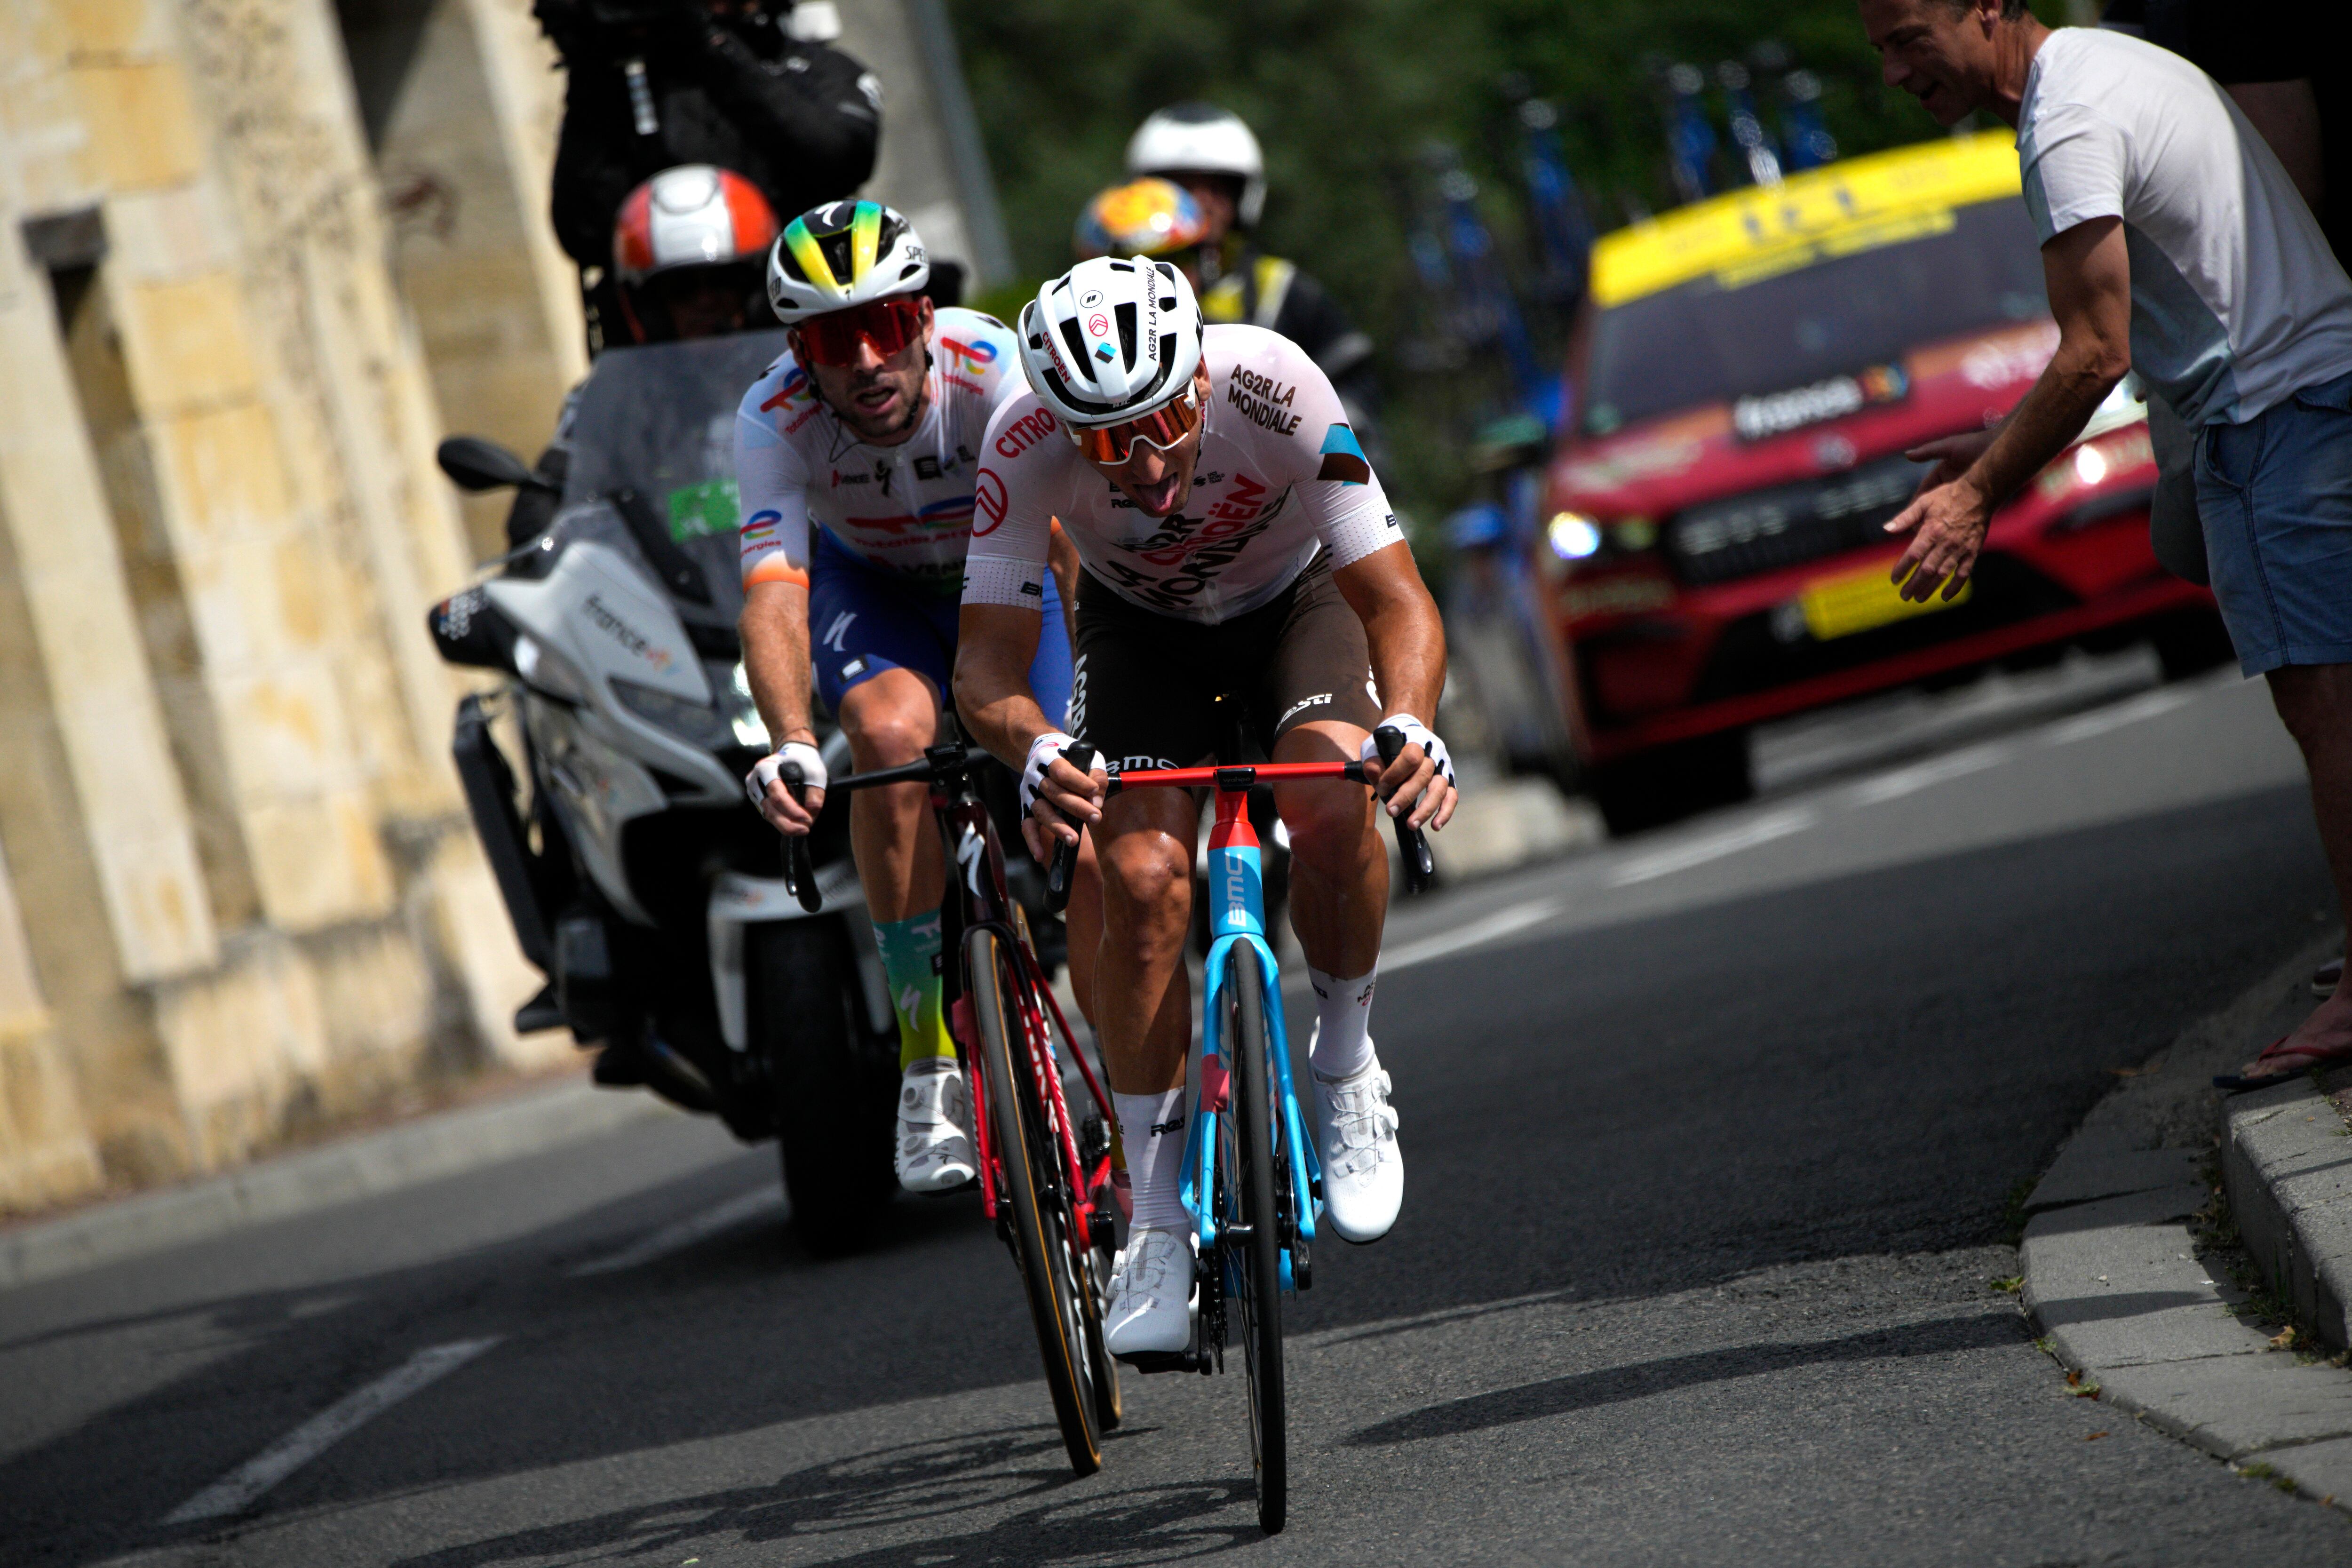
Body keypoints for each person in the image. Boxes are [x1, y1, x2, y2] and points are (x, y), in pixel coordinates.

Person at [952, 254, 1458, 1353]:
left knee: (1329, 806)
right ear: (1057, 423)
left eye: (1161, 421)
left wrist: (1410, 722)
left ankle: (1346, 1063)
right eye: (1103, 439)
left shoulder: (1274, 383)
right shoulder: (1020, 443)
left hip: (1296, 605)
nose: (1138, 463)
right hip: (1141, 638)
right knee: (1135, 880)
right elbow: (985, 673)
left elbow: (1397, 599)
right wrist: (1032, 749)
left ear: (1196, 380)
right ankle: (1156, 1219)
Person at [1856, 0, 2352, 1085]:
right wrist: (1998, 437)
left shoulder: (2064, 115)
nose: (1895, 71)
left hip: (2273, 419)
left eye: (1907, 39)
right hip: (2305, 392)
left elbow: (2092, 349)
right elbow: (2173, 311)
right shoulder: (2104, 63)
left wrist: (1982, 491)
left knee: (2323, 708)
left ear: (1985, 7)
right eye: (1880, 48)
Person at [734, 200, 1091, 1192]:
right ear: (797, 350)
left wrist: (1078, 712)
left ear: (925, 319)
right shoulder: (772, 419)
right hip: (878, 594)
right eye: (829, 339)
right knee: (887, 738)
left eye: (884, 326)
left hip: (1003, 581)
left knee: (1074, 801)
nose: (863, 359)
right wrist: (792, 739)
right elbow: (772, 589)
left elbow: (1066, 548)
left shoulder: (994, 371)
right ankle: (927, 1057)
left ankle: (1127, 1044)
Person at [534, 0, 880, 351]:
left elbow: (838, 157)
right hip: (666, 375)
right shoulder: (630, 90)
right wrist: (591, 70)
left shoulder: (811, 70)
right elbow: (583, 232)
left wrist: (707, 43)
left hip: (795, 352)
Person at [505, 164, 780, 551]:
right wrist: (539, 529)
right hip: (674, 599)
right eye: (682, 289)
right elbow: (559, 483)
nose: (705, 303)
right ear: (648, 305)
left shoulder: (807, 371)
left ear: (755, 287)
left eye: (723, 281)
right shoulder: (613, 394)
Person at [1125, 104, 1381, 432]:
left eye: (1218, 188)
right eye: (1181, 188)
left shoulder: (1284, 289)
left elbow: (1354, 393)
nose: (1202, 202)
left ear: (1244, 197)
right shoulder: (1111, 287)